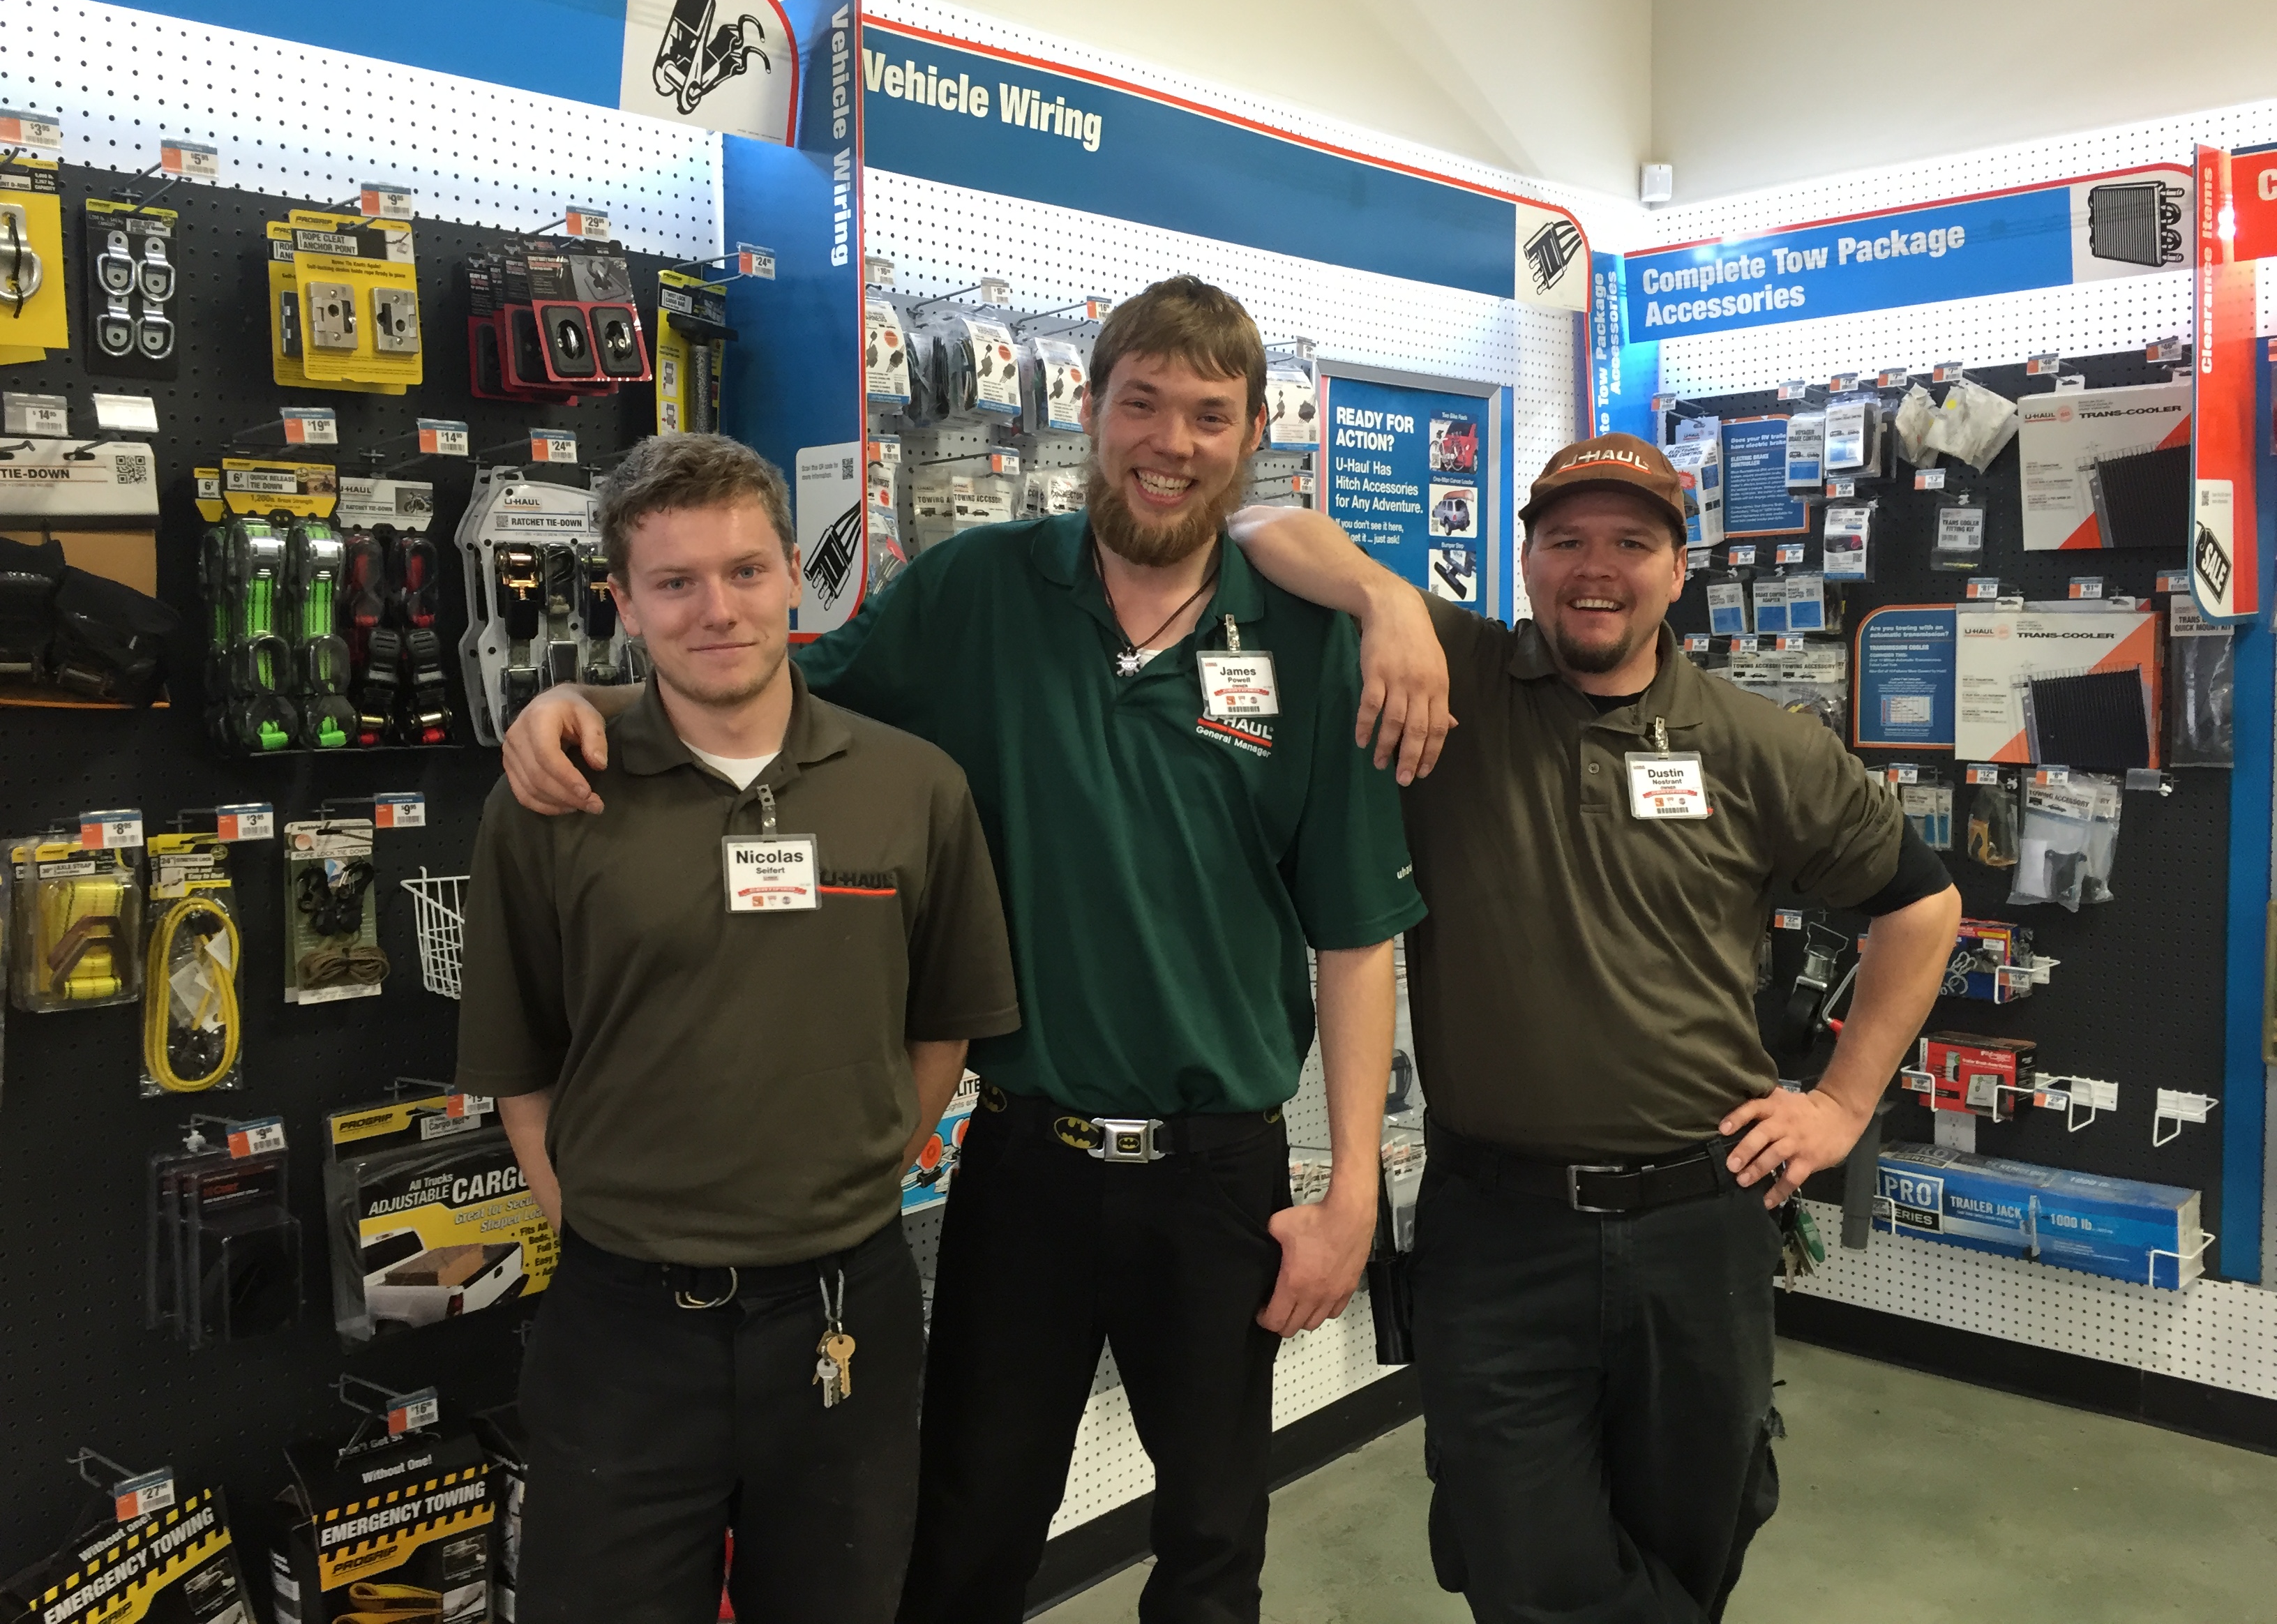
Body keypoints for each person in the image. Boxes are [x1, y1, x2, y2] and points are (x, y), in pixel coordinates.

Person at [497, 276, 1427, 1623]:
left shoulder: (1312, 640)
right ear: (1089, 411)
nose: (1170, 442)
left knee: (1215, 1539)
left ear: (1252, 434)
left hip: (1219, 1174)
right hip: (1025, 1162)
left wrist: (1351, 1192)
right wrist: (579, 699)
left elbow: (1354, 937)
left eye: (1208, 416)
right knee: (967, 1536)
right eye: (1142, 404)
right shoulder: (977, 590)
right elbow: (767, 692)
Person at [1229, 433, 1963, 1623]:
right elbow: (1258, 527)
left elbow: (1923, 907)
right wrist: (1382, 598)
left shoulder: (1758, 743)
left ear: (1678, 570)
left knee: (1698, 1540)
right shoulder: (1457, 680)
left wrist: (1841, 1103)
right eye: (1567, 540)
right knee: (1523, 1559)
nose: (1596, 568)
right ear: (1526, 562)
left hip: (1702, 1224)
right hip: (1497, 1232)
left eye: (1631, 542)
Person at [455, 433, 1022, 1624]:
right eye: (675, 582)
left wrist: (851, 1178)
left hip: (842, 1314)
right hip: (620, 1331)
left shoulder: (915, 787)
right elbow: (520, 1066)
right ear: (624, 602)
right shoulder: (550, 801)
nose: (717, 610)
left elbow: (944, 1030)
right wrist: (604, 1228)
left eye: (747, 571)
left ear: (795, 576)